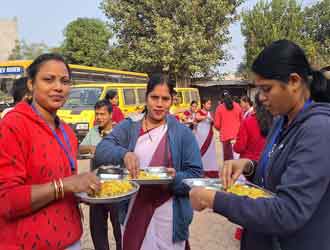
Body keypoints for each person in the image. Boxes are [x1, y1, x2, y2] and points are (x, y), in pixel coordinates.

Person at [189, 40, 330, 250]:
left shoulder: (319, 129)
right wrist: (250, 166)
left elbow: (288, 212)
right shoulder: (282, 121)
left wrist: (214, 199)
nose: (261, 98)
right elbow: (276, 176)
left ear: (293, 81)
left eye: (267, 89)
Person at [0, 53, 101, 250]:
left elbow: (67, 183)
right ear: (31, 84)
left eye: (65, 81)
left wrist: (84, 190)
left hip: (71, 239)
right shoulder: (12, 126)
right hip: (27, 243)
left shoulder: (66, 131)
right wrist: (66, 185)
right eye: (48, 79)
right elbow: (5, 200)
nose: (58, 87)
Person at [95, 73, 203, 250]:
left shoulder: (181, 133)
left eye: (165, 99)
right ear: (146, 97)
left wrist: (174, 178)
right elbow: (102, 150)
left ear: (172, 100)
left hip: (168, 212)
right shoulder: (130, 126)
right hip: (133, 208)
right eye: (154, 97)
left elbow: (196, 174)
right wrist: (124, 154)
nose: (159, 104)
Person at [79, 99, 122, 250]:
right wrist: (91, 148)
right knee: (97, 229)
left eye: (103, 114)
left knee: (119, 228)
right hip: (96, 187)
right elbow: (80, 148)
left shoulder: (120, 132)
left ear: (111, 115)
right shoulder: (93, 131)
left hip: (117, 187)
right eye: (97, 114)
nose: (99, 117)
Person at [234, 92, 273, 161]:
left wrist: (235, 145)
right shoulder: (277, 121)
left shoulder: (248, 121)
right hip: (268, 163)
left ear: (255, 104)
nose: (241, 104)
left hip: (248, 163)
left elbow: (239, 147)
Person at [194, 98, 219, 178]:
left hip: (209, 136)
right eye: (208, 104)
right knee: (200, 152)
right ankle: (199, 170)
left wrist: (212, 120)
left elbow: (215, 122)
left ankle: (210, 171)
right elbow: (197, 117)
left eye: (210, 104)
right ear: (203, 104)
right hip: (200, 136)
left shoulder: (210, 113)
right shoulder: (199, 112)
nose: (209, 105)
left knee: (210, 154)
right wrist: (206, 117)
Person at [214, 91, 242, 160]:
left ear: (222, 99)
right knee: (237, 157)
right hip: (237, 136)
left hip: (225, 137)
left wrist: (221, 129)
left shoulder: (219, 108)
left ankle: (229, 170)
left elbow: (217, 125)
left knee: (228, 159)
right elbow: (242, 121)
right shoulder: (238, 106)